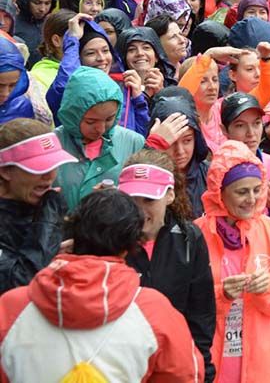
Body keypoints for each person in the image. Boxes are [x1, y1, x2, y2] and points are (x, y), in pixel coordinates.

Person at [0, 189, 203, 381]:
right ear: (131, 245)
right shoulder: (154, 311)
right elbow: (185, 375)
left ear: (73, 235)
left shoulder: (12, 308)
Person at [195, 140, 270, 383]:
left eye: (256, 189)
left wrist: (268, 289)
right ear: (219, 191)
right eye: (242, 191)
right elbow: (182, 302)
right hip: (210, 360)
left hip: (263, 364)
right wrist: (221, 294)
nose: (252, 199)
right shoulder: (196, 235)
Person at [121, 149, 217, 382]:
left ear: (170, 195)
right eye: (131, 200)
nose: (140, 210)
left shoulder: (189, 237)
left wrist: (202, 368)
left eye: (149, 200)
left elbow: (201, 314)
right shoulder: (109, 237)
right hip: (122, 364)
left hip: (173, 364)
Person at [0, 119, 76, 295]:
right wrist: (48, 221)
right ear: (5, 171)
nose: (49, 176)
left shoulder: (44, 203)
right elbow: (21, 283)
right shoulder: (49, 208)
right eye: (38, 168)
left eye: (54, 165)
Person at [54, 66, 146, 210]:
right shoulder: (52, 144)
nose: (101, 129)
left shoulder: (133, 143)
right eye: (91, 122)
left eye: (110, 118)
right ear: (72, 115)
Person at [146, 86, 212, 217]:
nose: (180, 151)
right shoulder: (147, 174)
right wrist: (152, 147)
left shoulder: (210, 175)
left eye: (187, 141)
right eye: (171, 142)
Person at [13, 0, 55, 67]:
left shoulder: (52, 22)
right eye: (37, 2)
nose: (42, 9)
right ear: (26, 1)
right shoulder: (12, 23)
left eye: (47, 3)